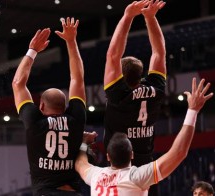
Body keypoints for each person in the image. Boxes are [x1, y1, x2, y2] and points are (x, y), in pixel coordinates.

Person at [75, 78, 213, 195]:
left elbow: (80, 164)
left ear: (108, 156)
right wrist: (193, 110)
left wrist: (83, 143)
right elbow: (178, 152)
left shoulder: (95, 176)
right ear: (132, 155)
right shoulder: (136, 177)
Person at [12, 17, 86, 196]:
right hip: (73, 192)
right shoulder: (76, 118)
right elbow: (77, 79)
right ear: (66, 104)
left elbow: (18, 83)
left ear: (41, 105)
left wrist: (32, 51)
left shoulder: (33, 120)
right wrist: (71, 41)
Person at [102, 1, 166, 194]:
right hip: (147, 168)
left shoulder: (118, 94)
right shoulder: (156, 90)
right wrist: (151, 18)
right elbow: (159, 52)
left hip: (120, 172)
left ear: (119, 77)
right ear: (141, 74)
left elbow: (113, 54)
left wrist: (128, 16)